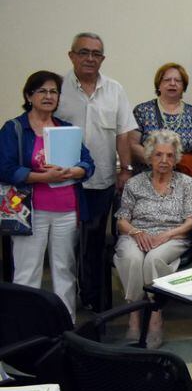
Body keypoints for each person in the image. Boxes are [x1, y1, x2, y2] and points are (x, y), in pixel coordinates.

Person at [0, 70, 95, 320]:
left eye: (54, 91)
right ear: (29, 95)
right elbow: (5, 168)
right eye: (42, 90)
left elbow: (88, 163)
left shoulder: (65, 129)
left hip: (66, 210)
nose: (48, 96)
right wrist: (43, 178)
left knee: (64, 270)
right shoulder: (15, 129)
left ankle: (64, 326)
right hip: (30, 212)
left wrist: (72, 171)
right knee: (27, 272)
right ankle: (24, 330)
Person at [56, 32, 137, 310]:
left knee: (93, 243)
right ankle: (63, 301)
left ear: (102, 59)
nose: (90, 58)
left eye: (96, 54)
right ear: (71, 55)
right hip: (62, 182)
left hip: (101, 180)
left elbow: (123, 134)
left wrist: (125, 170)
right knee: (65, 243)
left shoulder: (114, 89)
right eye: (84, 52)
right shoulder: (57, 89)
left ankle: (93, 299)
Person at [113, 130, 192, 348]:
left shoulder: (187, 183)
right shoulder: (134, 184)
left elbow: (190, 222)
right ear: (149, 157)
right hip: (136, 233)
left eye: (170, 155)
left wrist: (166, 235)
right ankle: (134, 315)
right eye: (158, 155)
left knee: (153, 259)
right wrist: (136, 233)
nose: (164, 160)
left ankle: (155, 314)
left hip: (173, 235)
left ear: (176, 158)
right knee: (132, 258)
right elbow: (121, 220)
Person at [132, 63, 192, 179]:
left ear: (183, 86)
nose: (172, 83)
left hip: (184, 180)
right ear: (159, 85)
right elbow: (133, 145)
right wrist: (159, 162)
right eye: (167, 80)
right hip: (148, 177)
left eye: (178, 81)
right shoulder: (142, 110)